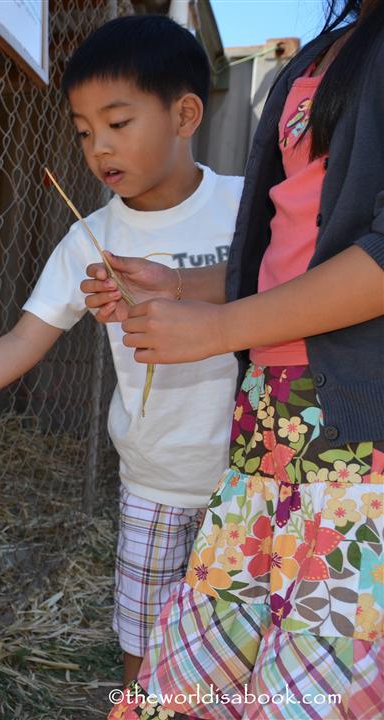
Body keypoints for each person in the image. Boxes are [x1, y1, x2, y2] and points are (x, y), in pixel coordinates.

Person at [0, 15, 242, 686]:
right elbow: (23, 339)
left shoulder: (245, 210)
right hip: (155, 483)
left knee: (243, 649)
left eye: (117, 122)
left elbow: (293, 292)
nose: (97, 146)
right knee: (144, 647)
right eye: (82, 131)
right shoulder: (90, 238)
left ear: (185, 114)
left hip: (255, 482)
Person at [81, 2, 384, 717]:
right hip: (267, 427)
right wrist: (185, 289)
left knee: (306, 692)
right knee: (177, 685)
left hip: (360, 445)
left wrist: (215, 330)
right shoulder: (324, 51)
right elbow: (295, 255)